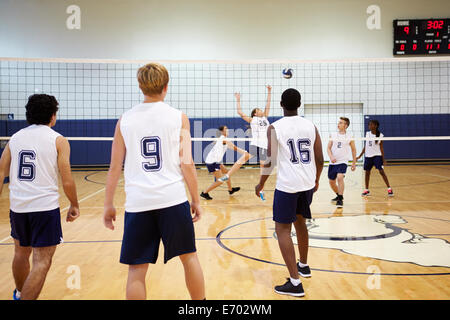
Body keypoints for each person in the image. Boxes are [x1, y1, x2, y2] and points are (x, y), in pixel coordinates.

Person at [103, 62, 205, 300]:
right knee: (189, 257)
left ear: (140, 86)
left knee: (137, 269)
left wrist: (108, 204)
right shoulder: (179, 118)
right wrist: (196, 200)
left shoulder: (125, 120)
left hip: (139, 203)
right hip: (172, 199)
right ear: (166, 86)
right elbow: (187, 163)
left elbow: (114, 167)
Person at [0, 94, 80, 300]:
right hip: (44, 208)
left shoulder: (15, 138)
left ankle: (19, 294)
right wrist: (74, 204)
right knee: (42, 262)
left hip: (18, 208)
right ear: (53, 116)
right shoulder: (58, 140)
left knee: (20, 253)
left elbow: (1, 172)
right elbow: (67, 179)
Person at [255, 88, 324, 297]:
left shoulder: (275, 127)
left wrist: (260, 184)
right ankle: (303, 265)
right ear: (299, 104)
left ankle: (295, 283)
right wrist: (316, 180)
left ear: (281, 104)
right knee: (301, 223)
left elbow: (270, 161)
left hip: (287, 186)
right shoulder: (311, 125)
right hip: (306, 184)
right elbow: (319, 159)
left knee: (282, 230)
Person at [217, 85, 271, 184]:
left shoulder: (265, 118)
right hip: (256, 144)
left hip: (264, 145)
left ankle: (261, 186)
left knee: (263, 165)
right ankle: (227, 176)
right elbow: (239, 112)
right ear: (255, 113)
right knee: (242, 160)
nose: (261, 110)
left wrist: (269, 91)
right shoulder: (252, 119)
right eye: (258, 110)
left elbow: (268, 105)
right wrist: (238, 99)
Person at [200, 125, 247, 200]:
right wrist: (245, 152)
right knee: (220, 181)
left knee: (227, 172)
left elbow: (231, 147)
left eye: (227, 128)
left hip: (216, 161)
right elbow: (234, 147)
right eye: (226, 129)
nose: (227, 130)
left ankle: (230, 190)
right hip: (212, 162)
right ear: (222, 131)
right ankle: (204, 192)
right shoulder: (223, 139)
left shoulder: (222, 139)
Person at [356, 119, 394, 196]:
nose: (369, 126)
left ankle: (389, 189)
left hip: (377, 156)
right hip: (368, 156)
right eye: (369, 125)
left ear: (376, 126)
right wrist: (360, 156)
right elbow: (366, 146)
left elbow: (381, 148)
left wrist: (383, 159)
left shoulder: (380, 135)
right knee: (367, 173)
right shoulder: (367, 134)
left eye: (371, 124)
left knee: (381, 172)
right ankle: (366, 190)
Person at [327, 117, 357, 208]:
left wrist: (354, 162)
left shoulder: (350, 136)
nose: (338, 124)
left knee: (340, 177)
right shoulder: (333, 134)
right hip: (333, 162)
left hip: (343, 161)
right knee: (331, 182)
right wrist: (331, 156)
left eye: (341, 123)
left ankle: (340, 199)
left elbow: (353, 150)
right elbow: (328, 148)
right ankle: (339, 195)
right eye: (338, 122)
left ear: (346, 125)